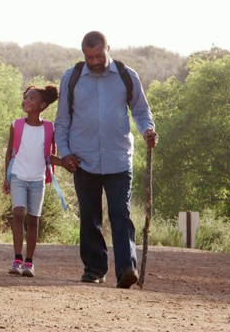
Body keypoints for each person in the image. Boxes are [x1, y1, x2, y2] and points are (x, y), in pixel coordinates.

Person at [54, 31, 158, 288]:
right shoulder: (72, 77)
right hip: (83, 159)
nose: (95, 61)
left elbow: (141, 111)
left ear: (108, 49)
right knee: (89, 216)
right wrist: (65, 152)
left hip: (119, 158)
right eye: (89, 57)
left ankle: (126, 269)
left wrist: (147, 129)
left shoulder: (126, 75)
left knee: (120, 214)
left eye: (99, 55)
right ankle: (94, 268)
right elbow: (62, 121)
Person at [3, 85, 63, 277]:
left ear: (43, 105)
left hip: (37, 179)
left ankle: (29, 262)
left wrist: (65, 163)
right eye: (26, 97)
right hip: (18, 176)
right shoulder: (16, 125)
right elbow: (9, 153)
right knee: (19, 213)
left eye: (32, 99)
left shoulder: (49, 128)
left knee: (33, 220)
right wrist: (6, 177)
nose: (27, 101)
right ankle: (17, 258)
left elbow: (50, 155)